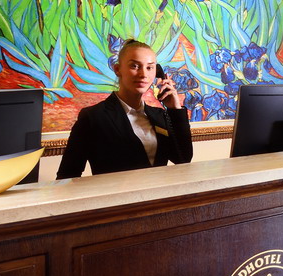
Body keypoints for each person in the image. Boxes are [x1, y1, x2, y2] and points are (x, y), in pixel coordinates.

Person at [56, 39, 193, 178]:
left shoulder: (159, 115)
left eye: (149, 67)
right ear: (117, 69)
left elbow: (183, 159)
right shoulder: (93, 117)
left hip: (158, 191)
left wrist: (175, 110)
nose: (143, 74)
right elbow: (67, 175)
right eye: (135, 66)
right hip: (115, 192)